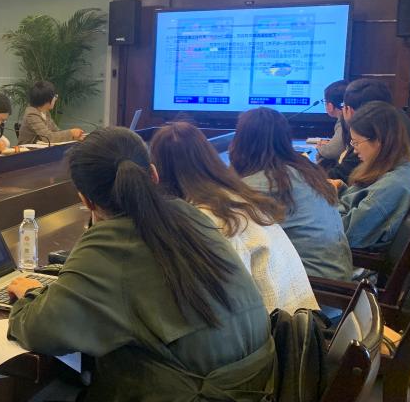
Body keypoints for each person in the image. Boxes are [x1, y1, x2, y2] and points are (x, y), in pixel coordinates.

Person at [6, 127, 273, 402]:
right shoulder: (191, 218)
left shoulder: (112, 243)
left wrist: (27, 294)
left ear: (85, 200)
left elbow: (41, 330)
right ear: (153, 174)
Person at [150, 122, 317, 314]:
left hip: (271, 325)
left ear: (156, 173)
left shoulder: (204, 219)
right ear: (209, 157)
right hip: (297, 318)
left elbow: (225, 303)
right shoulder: (238, 196)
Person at [230, 108, 353, 280]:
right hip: (336, 277)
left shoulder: (265, 183)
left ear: (241, 141)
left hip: (313, 288)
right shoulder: (304, 171)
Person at [339, 101, 410, 249]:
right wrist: (341, 189)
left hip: (349, 256)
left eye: (356, 143)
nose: (355, 150)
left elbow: (344, 234)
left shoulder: (391, 188)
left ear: (378, 140)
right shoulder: (403, 167)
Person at [330, 78, 410, 183]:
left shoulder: (373, 136)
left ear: (349, 110)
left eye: (343, 107)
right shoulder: (396, 121)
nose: (356, 150)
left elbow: (338, 175)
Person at [16, 80, 84, 145]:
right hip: (28, 151)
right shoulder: (31, 114)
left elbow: (56, 132)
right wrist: (71, 133)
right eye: (55, 96)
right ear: (47, 99)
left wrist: (74, 137)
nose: (56, 99)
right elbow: (48, 138)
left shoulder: (45, 112)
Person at [314, 79, 348, 166]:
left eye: (325, 102)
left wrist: (321, 148)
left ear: (330, 106)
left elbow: (332, 151)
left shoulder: (345, 121)